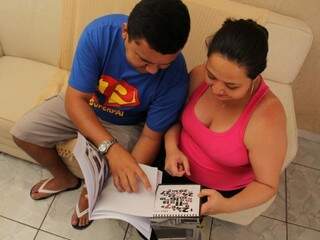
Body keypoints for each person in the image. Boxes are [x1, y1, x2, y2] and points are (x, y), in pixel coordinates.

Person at [10, 0, 190, 229]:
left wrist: (122, 165)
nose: (153, 70)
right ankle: (64, 178)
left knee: (123, 172)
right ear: (125, 32)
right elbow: (75, 100)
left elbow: (151, 136)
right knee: (23, 133)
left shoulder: (175, 77)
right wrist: (110, 148)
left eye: (163, 64)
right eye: (144, 60)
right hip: (85, 103)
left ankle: (89, 193)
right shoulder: (99, 34)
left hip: (128, 122)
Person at [162, 18, 287, 215]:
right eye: (211, 76)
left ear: (254, 78)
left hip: (213, 191)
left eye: (232, 86)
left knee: (168, 232)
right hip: (173, 161)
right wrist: (171, 148)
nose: (217, 90)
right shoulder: (198, 75)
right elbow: (176, 121)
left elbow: (267, 185)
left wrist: (226, 205)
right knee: (137, 209)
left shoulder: (267, 117)